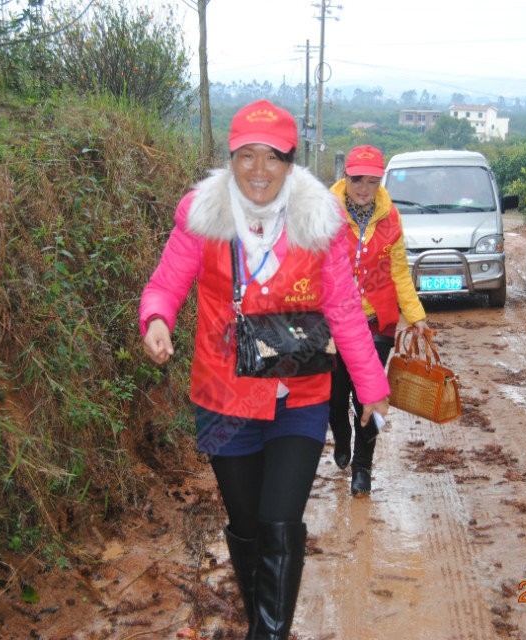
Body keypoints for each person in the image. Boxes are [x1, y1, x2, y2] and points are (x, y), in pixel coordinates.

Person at [139, 100, 390, 640]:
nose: (258, 170)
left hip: (299, 395)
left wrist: (371, 386)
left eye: (271, 157)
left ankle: (269, 634)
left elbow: (344, 308)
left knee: (280, 523)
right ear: (230, 159)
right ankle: (262, 622)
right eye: (245, 156)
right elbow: (166, 283)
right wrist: (156, 318)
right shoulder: (201, 214)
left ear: (290, 161)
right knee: (248, 526)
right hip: (222, 396)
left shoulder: (319, 221)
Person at [328, 145, 429, 496]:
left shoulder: (391, 217)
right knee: (335, 395)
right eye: (358, 179)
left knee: (366, 394)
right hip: (335, 321)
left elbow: (399, 271)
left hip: (376, 322)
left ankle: (362, 467)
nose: (364, 188)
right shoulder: (323, 212)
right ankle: (340, 436)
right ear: (346, 176)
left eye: (372, 181)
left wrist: (415, 316)